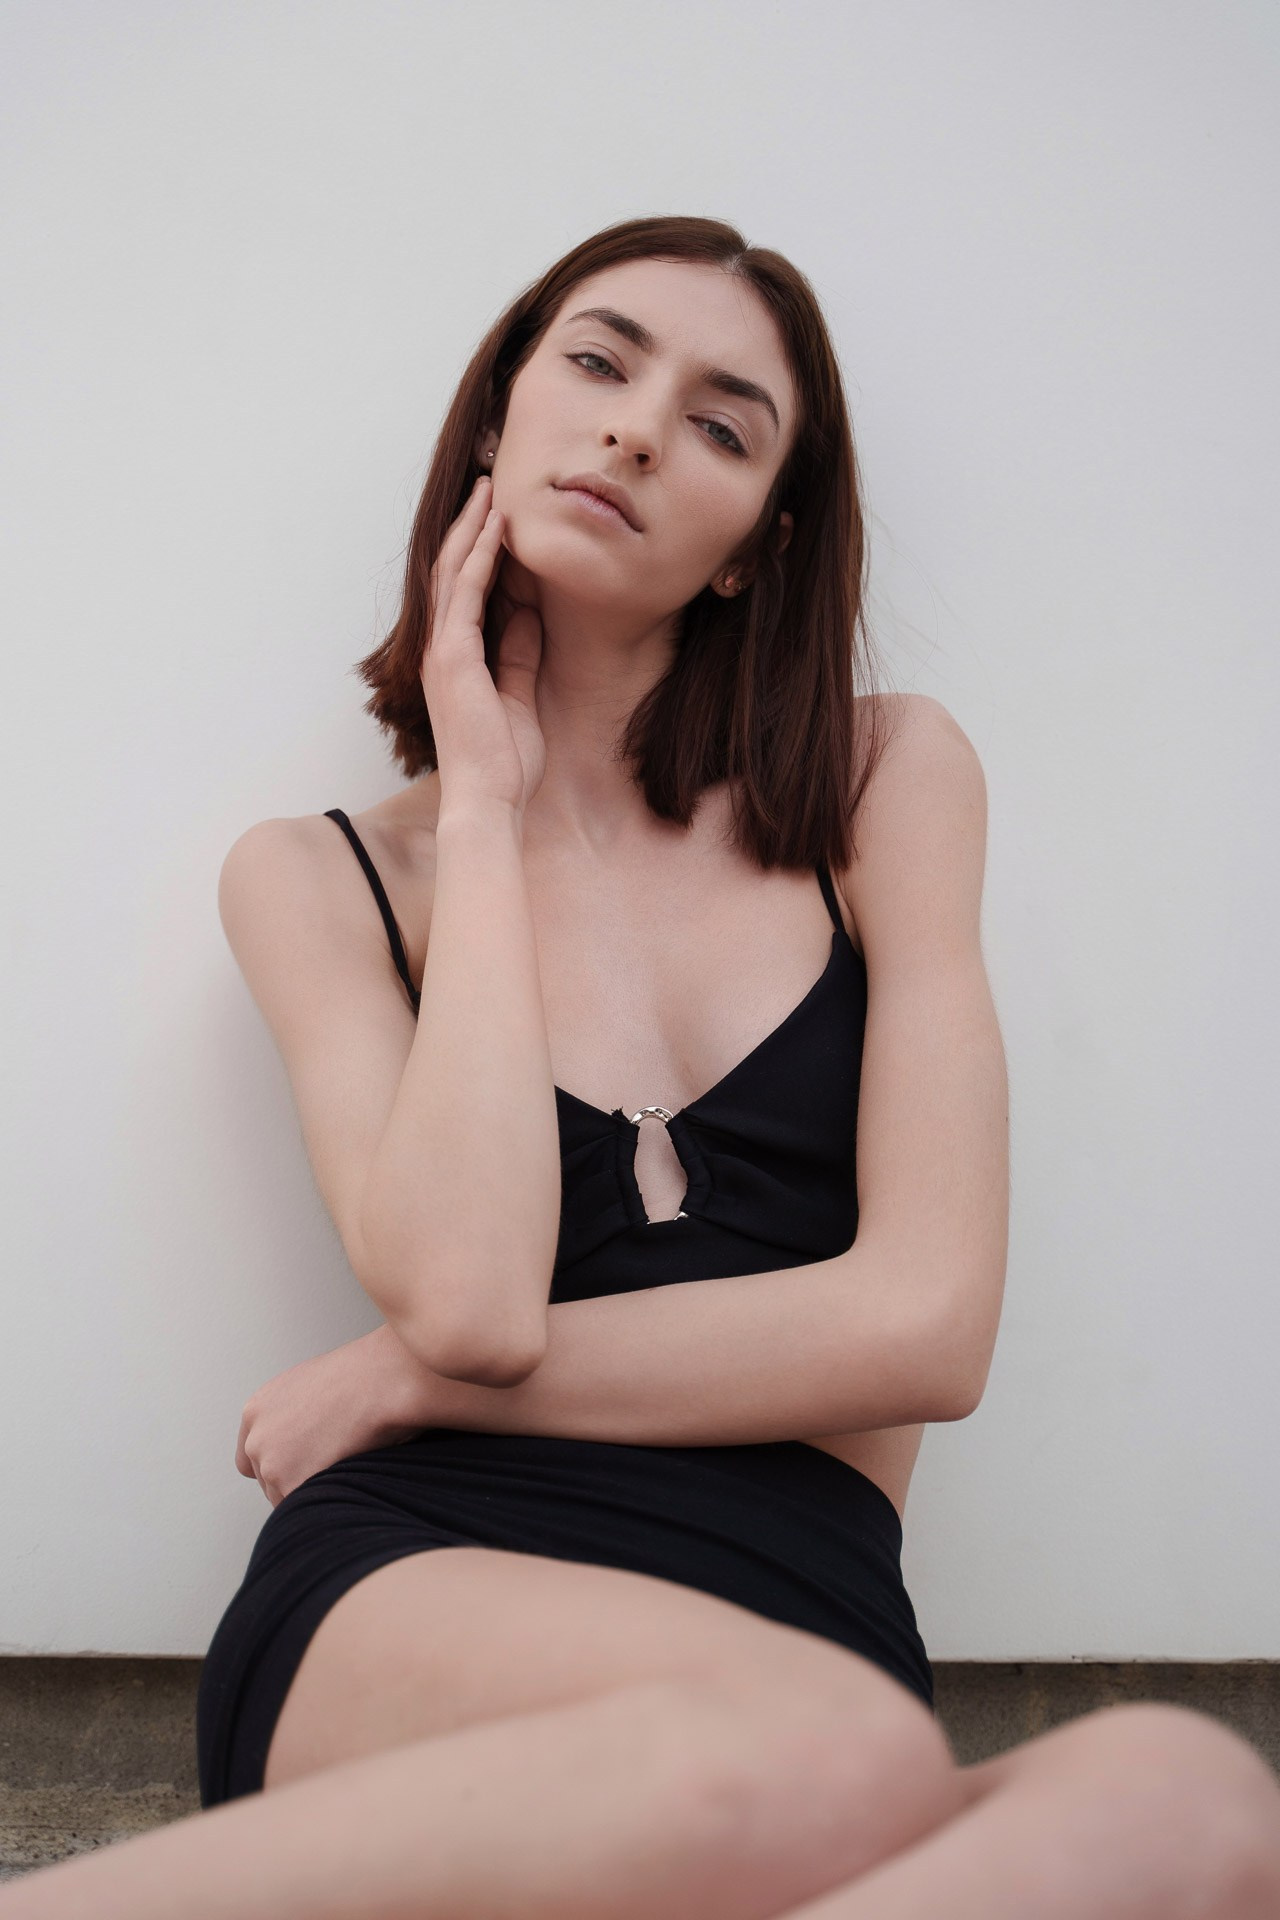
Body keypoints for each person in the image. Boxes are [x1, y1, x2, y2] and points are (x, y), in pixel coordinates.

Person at [11, 216, 1277, 1919]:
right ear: (496, 424)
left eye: (720, 423)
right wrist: (480, 793)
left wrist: (402, 1378)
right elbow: (468, 1295)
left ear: (755, 546)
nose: (633, 428)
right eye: (599, 366)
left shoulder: (887, 785)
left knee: (1188, 1798)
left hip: (807, 1600)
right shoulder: (319, 881)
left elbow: (925, 1326)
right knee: (825, 1754)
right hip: (427, 1587)